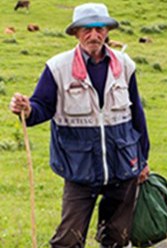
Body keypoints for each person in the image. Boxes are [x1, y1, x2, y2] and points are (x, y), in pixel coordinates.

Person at [10, 3, 150, 248]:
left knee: (117, 238)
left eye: (99, 28)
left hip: (123, 165)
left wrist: (143, 159)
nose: (93, 35)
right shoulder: (58, 68)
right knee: (68, 239)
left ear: (107, 31)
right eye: (86, 29)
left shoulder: (125, 64)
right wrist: (28, 109)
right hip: (79, 169)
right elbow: (42, 106)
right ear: (75, 32)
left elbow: (136, 114)